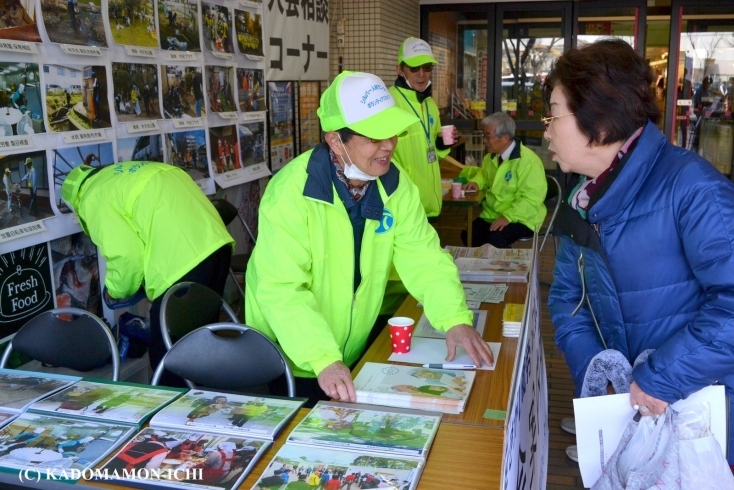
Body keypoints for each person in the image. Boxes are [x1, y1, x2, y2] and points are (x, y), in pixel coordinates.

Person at [245, 71, 493, 407]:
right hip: (292, 355)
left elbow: (423, 256)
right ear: (335, 140)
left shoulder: (395, 184)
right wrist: (322, 357)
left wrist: (454, 319)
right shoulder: (292, 192)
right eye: (375, 137)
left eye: (391, 132)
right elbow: (281, 287)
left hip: (352, 345)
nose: (389, 145)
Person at [544, 38, 734, 465]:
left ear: (601, 124)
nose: (547, 130)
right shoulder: (582, 198)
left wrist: (658, 378)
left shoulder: (692, 189)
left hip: (699, 422)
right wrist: (600, 376)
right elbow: (567, 301)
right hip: (635, 418)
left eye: (554, 115)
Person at [60, 162, 234, 386]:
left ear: (75, 201)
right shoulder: (122, 175)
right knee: (201, 338)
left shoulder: (92, 197)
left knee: (167, 355)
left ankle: (175, 414)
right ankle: (210, 401)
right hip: (217, 246)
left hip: (182, 263)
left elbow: (126, 255)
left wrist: (114, 291)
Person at [388, 37, 456, 219]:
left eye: (427, 67)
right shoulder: (388, 103)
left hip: (430, 203)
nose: (421, 74)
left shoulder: (429, 103)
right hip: (403, 206)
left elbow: (432, 150)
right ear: (400, 70)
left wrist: (441, 145)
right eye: (414, 68)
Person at [460, 112, 547, 248]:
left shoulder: (528, 162)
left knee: (495, 239)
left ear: (505, 138)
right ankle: (481, 267)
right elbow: (483, 175)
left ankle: (500, 268)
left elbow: (531, 199)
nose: (484, 141)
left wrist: (508, 217)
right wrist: (476, 182)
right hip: (493, 213)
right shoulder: (491, 157)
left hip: (523, 216)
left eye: (488, 137)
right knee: (469, 234)